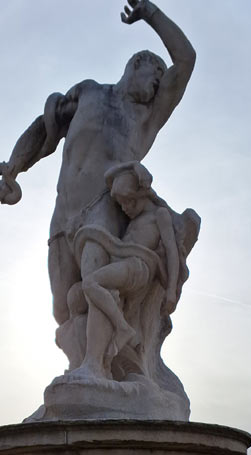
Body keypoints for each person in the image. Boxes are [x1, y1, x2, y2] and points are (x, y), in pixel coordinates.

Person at [0, 0, 196, 368]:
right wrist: (13, 167)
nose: (158, 84)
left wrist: (150, 13)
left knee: (98, 288)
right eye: (155, 74)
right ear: (136, 67)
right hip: (63, 213)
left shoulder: (147, 119)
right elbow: (45, 130)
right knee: (64, 309)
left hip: (103, 214)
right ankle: (100, 377)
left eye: (162, 79)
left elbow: (187, 59)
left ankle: (97, 371)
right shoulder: (90, 92)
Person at [65, 161, 199, 380]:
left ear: (141, 193)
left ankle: (122, 329)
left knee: (92, 283)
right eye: (120, 203)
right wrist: (132, 166)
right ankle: (111, 345)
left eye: (128, 201)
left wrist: (172, 290)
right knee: (85, 292)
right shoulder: (134, 217)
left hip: (139, 268)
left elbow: (172, 253)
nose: (125, 207)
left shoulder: (160, 215)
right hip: (125, 265)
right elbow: (109, 174)